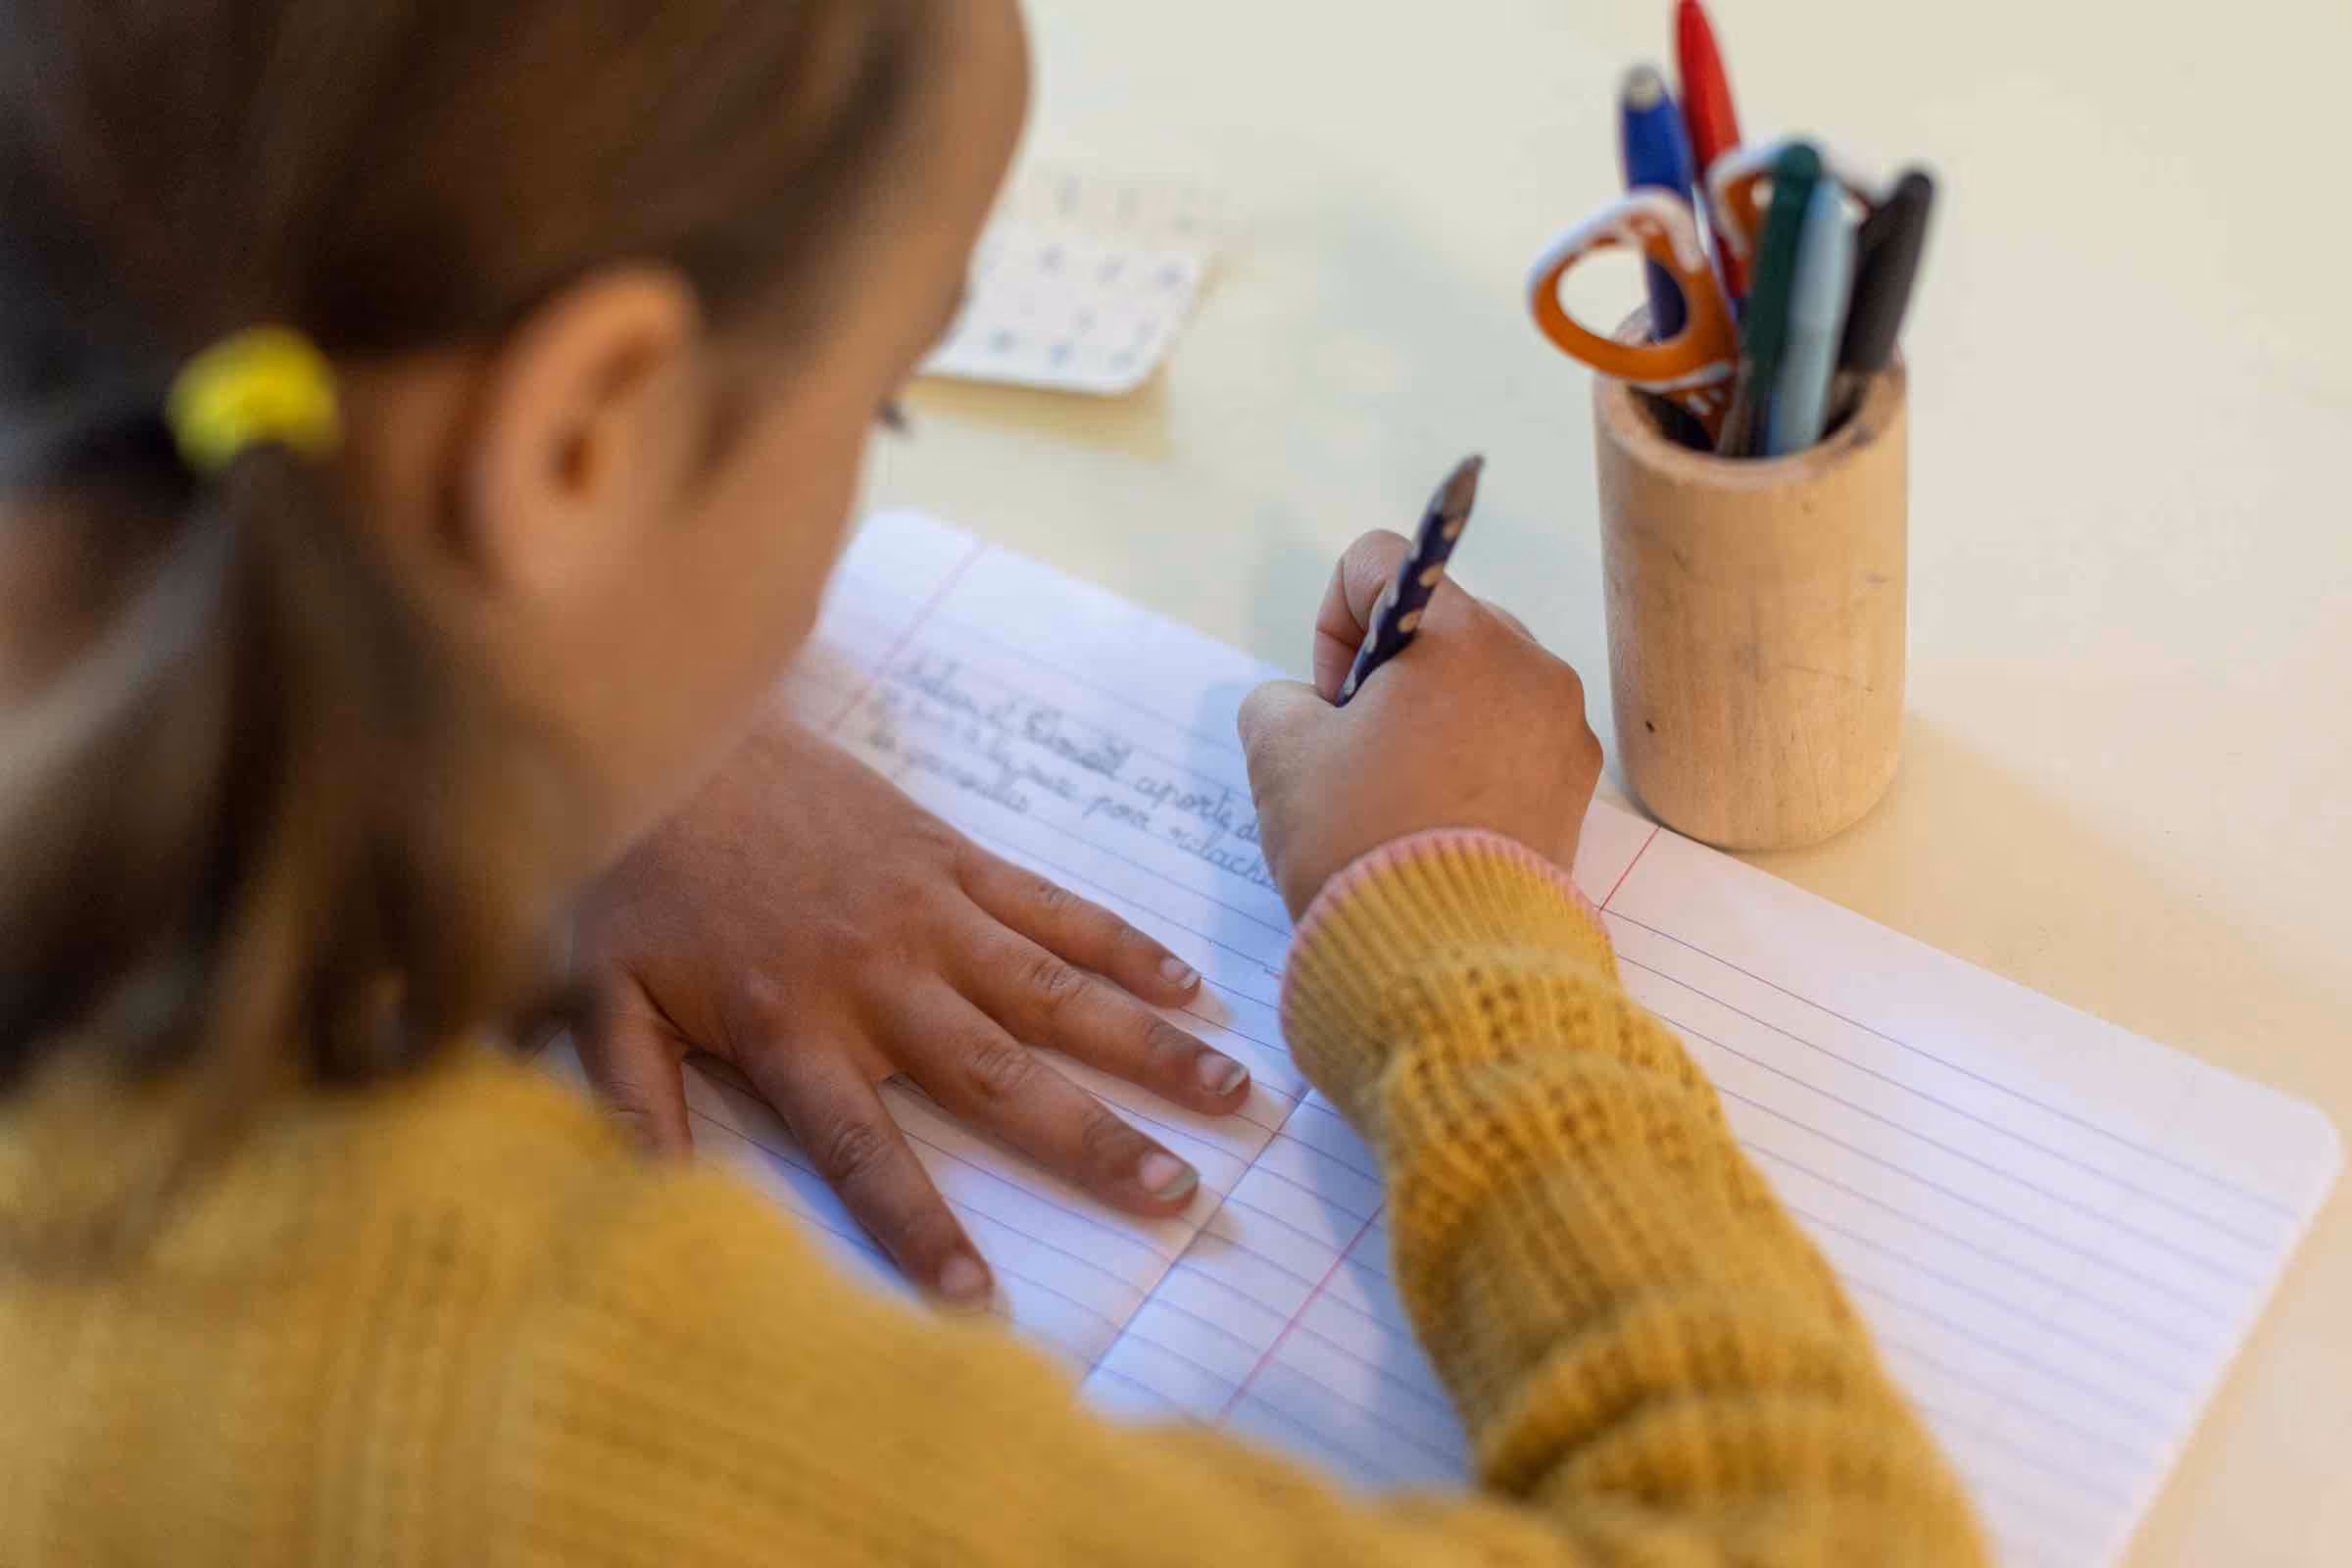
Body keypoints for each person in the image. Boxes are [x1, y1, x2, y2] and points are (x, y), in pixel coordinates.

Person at [0, 0, 1985, 1563]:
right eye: (872, 396)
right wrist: (1459, 924)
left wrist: (528, 730)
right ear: (576, 453)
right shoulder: (452, 1399)